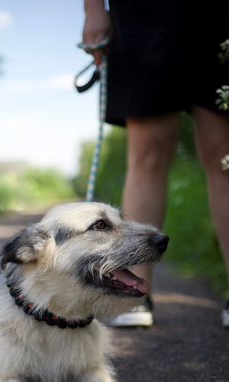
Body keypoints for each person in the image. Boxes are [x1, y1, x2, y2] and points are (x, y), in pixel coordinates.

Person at [82, 0, 229, 327]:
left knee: (224, 153)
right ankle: (135, 290)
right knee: (148, 150)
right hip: (145, 14)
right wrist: (93, 9)